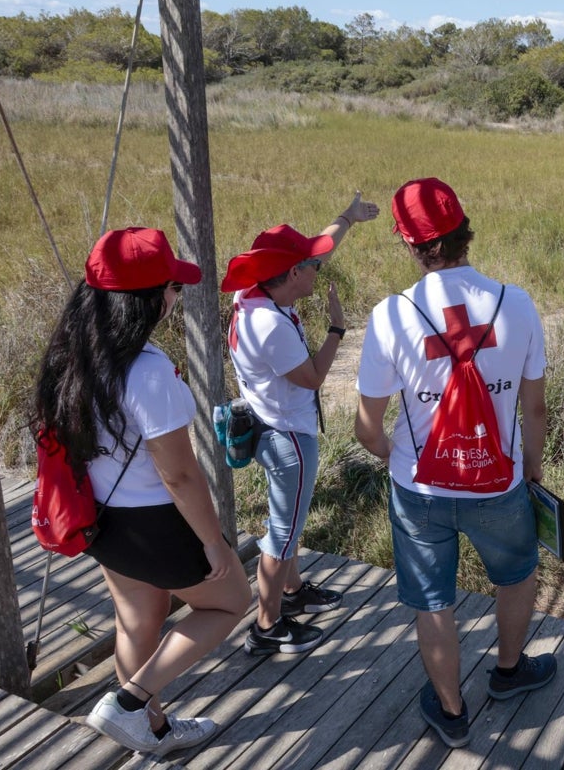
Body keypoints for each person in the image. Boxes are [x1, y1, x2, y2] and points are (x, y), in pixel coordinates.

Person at [33, 227, 252, 756]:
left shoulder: (70, 356)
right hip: (156, 522)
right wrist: (215, 544)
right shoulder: (150, 373)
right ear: (145, 301)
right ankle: (128, 704)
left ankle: (150, 729)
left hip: (103, 520)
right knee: (230, 602)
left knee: (138, 618)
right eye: (171, 288)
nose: (176, 298)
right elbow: (179, 475)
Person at [354, 177, 556, 749]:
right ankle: (510, 673)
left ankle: (451, 711)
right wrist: (532, 471)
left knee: (433, 599)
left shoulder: (390, 316)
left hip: (419, 489)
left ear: (412, 245)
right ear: (464, 231)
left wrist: (396, 457)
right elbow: (534, 407)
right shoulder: (516, 304)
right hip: (500, 480)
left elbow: (368, 428)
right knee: (515, 575)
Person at [220, 193, 380, 655]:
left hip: (273, 428)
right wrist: (336, 329)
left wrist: (346, 218)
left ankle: (291, 594)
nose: (318, 269)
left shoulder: (253, 294)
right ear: (293, 275)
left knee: (287, 522)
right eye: (312, 268)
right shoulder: (268, 327)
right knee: (281, 534)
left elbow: (319, 249)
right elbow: (312, 378)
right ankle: (266, 628)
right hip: (289, 437)